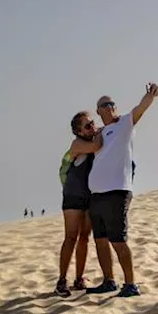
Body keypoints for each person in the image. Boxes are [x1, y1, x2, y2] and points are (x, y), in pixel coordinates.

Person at [86, 83, 158, 297]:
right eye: (103, 105)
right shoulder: (99, 133)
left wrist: (150, 96)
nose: (108, 107)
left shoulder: (124, 124)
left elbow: (140, 109)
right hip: (97, 194)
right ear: (99, 111)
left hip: (117, 191)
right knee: (100, 239)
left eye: (111, 104)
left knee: (118, 239)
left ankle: (130, 284)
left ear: (115, 107)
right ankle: (109, 281)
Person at [56, 111, 100, 296]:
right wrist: (103, 131)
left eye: (93, 123)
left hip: (90, 195)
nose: (92, 127)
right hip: (73, 195)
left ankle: (79, 278)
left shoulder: (92, 140)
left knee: (84, 237)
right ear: (78, 131)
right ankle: (61, 280)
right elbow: (97, 145)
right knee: (71, 236)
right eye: (88, 125)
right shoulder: (77, 144)